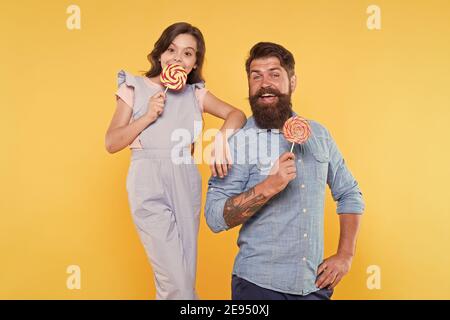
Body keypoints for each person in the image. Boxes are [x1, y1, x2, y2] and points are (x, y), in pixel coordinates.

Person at [205, 42, 365, 300]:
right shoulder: (237, 141)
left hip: (313, 286)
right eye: (256, 76)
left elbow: (349, 193)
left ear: (292, 81)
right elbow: (213, 217)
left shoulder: (319, 135)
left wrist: (345, 256)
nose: (264, 83)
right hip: (258, 287)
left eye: (274, 74)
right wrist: (268, 187)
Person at [105, 22, 246, 299]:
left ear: (194, 63)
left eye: (187, 53)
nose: (177, 58)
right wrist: (147, 115)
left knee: (184, 277)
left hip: (186, 178)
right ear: (160, 54)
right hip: (147, 179)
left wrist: (219, 140)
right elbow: (111, 142)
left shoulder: (196, 94)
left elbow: (237, 114)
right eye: (171, 49)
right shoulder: (133, 87)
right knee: (176, 284)